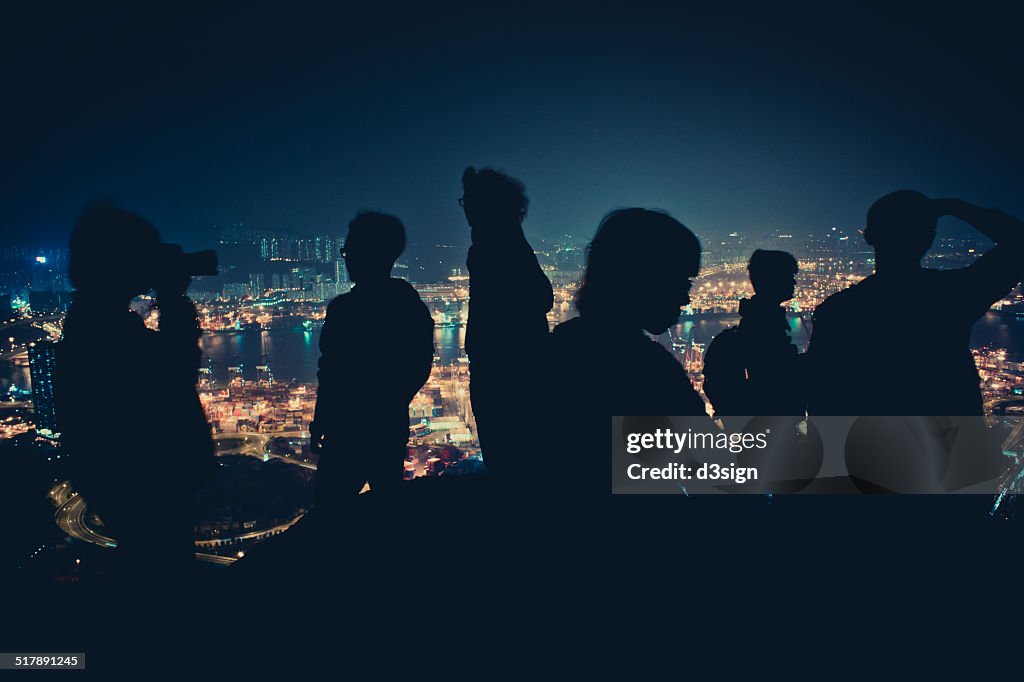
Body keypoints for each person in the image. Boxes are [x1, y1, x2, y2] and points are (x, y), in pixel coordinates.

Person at [56, 203, 215, 578]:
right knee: (163, 573)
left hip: (128, 484)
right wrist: (173, 297)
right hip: (148, 486)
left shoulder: (90, 323)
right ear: (120, 263)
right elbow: (177, 370)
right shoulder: (104, 331)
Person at [807, 191, 1024, 416]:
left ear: (869, 237)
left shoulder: (837, 310)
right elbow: (1019, 242)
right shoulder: (950, 296)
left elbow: (820, 396)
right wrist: (954, 205)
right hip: (949, 440)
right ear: (929, 239)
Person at [547, 209, 707, 492]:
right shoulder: (648, 370)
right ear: (643, 279)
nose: (686, 298)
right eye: (681, 282)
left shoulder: (559, 347)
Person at [310, 212, 434, 505]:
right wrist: (392, 400)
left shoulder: (344, 310)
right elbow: (419, 366)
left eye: (350, 250)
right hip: (388, 427)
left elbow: (330, 374)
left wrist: (321, 421)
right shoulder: (408, 304)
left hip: (345, 431)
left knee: (331, 507)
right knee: (388, 501)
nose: (346, 257)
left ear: (370, 253)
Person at [462, 167, 553, 483]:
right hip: (513, 369)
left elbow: (541, 297)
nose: (466, 211)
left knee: (510, 464)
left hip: (501, 373)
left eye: (469, 202)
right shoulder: (506, 245)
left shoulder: (494, 249)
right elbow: (709, 468)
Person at [702, 249, 804, 419]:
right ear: (774, 280)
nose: (794, 283)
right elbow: (774, 379)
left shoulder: (759, 322)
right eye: (789, 276)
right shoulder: (765, 327)